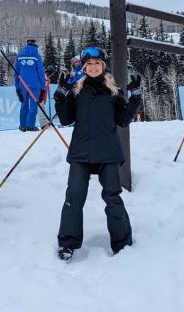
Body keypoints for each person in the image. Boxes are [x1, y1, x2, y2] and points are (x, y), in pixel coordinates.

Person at [54, 46, 141, 261]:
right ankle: (68, 243)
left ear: (103, 66)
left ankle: (122, 243)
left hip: (108, 153)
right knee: (73, 198)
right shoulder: (77, 91)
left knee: (112, 197)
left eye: (97, 64)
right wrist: (61, 95)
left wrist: (136, 97)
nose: (93, 67)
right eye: (89, 64)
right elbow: (66, 119)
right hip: (81, 154)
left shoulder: (113, 92)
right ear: (84, 67)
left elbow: (123, 120)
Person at [14, 39, 46, 131]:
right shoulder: (36, 55)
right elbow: (41, 73)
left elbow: (16, 73)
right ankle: (30, 125)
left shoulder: (19, 55)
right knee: (33, 106)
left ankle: (23, 126)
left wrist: (17, 88)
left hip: (22, 85)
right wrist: (43, 89)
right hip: (34, 85)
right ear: (35, 46)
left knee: (24, 105)